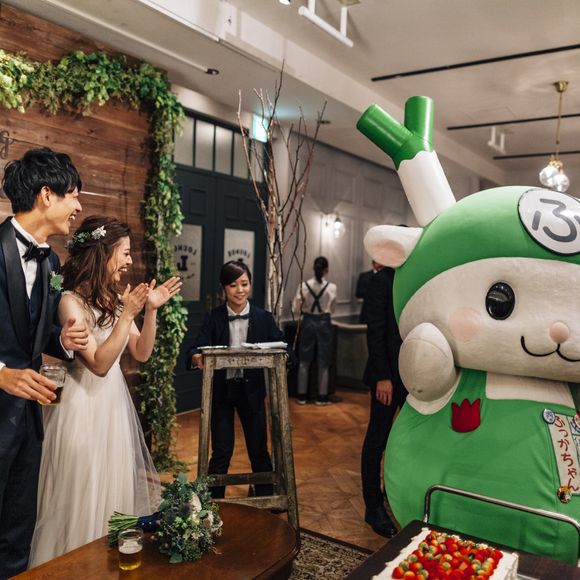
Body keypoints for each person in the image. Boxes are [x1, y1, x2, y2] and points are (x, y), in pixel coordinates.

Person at [29, 215, 182, 566]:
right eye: (125, 252)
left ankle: (103, 566)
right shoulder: (69, 301)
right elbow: (98, 364)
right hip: (80, 410)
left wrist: (150, 311)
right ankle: (71, 567)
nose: (129, 261)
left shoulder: (112, 299)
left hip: (112, 410)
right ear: (104, 252)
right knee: (80, 495)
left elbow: (141, 352)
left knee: (111, 491)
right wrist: (127, 314)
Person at [0, 147, 89, 577]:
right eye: (74, 195)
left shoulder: (52, 261)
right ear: (46, 194)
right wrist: (1, 375)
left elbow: (35, 331)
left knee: (18, 531)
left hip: (30, 421)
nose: (79, 206)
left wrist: (63, 340)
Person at [187, 260, 293, 498]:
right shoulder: (213, 317)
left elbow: (285, 346)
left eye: (244, 284)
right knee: (221, 451)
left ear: (250, 285)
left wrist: (285, 355)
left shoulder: (263, 317)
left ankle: (267, 501)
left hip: (252, 392)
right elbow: (194, 347)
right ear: (224, 288)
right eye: (233, 285)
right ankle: (212, 505)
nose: (240, 290)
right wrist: (195, 356)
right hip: (222, 393)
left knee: (259, 450)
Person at [360, 265, 406, 537]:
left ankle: (395, 492)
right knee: (377, 440)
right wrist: (383, 377)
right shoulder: (381, 280)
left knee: (406, 439)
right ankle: (372, 506)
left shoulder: (413, 275)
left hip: (413, 377)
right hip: (387, 376)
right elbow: (375, 331)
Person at [292, 256, 337, 405]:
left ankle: (302, 396)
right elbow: (332, 309)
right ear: (326, 270)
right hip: (324, 322)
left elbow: (296, 308)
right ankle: (322, 397)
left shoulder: (303, 286)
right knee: (324, 360)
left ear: (313, 268)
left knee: (304, 360)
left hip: (308, 321)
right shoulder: (332, 287)